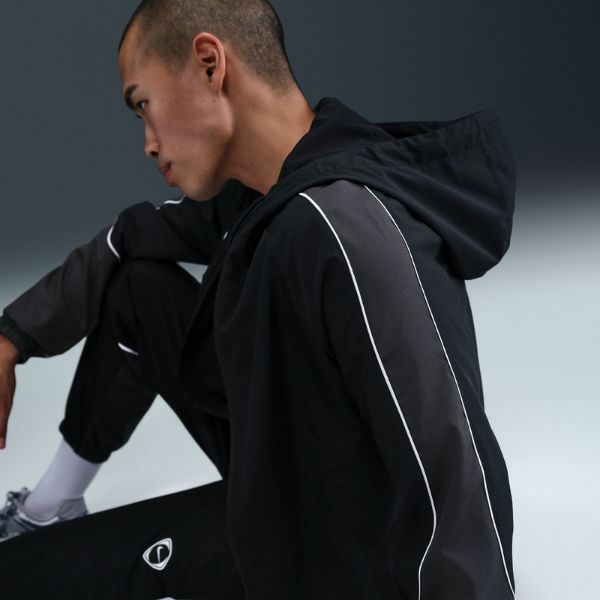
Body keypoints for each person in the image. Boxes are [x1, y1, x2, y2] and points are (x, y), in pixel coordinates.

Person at [0, 0, 518, 598]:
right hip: (295, 473)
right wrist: (12, 337)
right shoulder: (264, 190)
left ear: (209, 64)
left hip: (338, 555)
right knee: (138, 287)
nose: (147, 142)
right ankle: (51, 507)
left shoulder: (346, 225)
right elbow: (129, 238)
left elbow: (453, 460)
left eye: (143, 104)